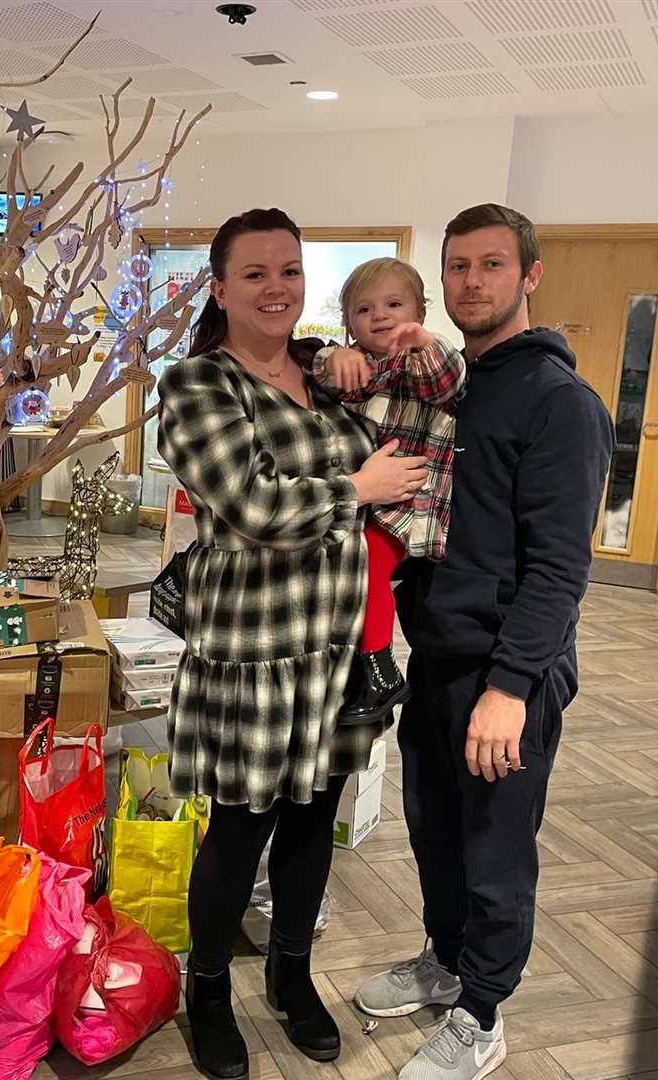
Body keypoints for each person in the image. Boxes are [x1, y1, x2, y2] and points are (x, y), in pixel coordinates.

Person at [156, 208, 429, 1080]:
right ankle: (205, 990)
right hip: (254, 653)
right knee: (240, 830)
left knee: (316, 823)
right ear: (221, 288)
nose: (277, 289)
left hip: (341, 647)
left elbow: (425, 391)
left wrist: (381, 352)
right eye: (256, 275)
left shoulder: (326, 370)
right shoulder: (198, 385)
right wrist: (360, 484)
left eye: (290, 271)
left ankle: (290, 974)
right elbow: (253, 505)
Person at [353, 204, 614, 1080]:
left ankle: (484, 1012)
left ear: (529, 275)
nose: (473, 282)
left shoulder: (559, 403)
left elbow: (558, 570)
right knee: (434, 831)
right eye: (459, 266)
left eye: (493, 265)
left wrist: (511, 687)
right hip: (438, 653)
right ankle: (445, 959)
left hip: (508, 674)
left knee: (495, 851)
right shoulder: (455, 385)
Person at [311, 257, 466, 718]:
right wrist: (333, 356)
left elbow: (446, 379)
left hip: (408, 503)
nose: (379, 315)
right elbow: (324, 377)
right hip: (363, 499)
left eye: (394, 304)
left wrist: (423, 343)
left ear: (419, 310)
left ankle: (381, 672)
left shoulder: (423, 363)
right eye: (364, 309)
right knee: (344, 568)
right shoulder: (361, 365)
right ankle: (360, 662)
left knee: (366, 566)